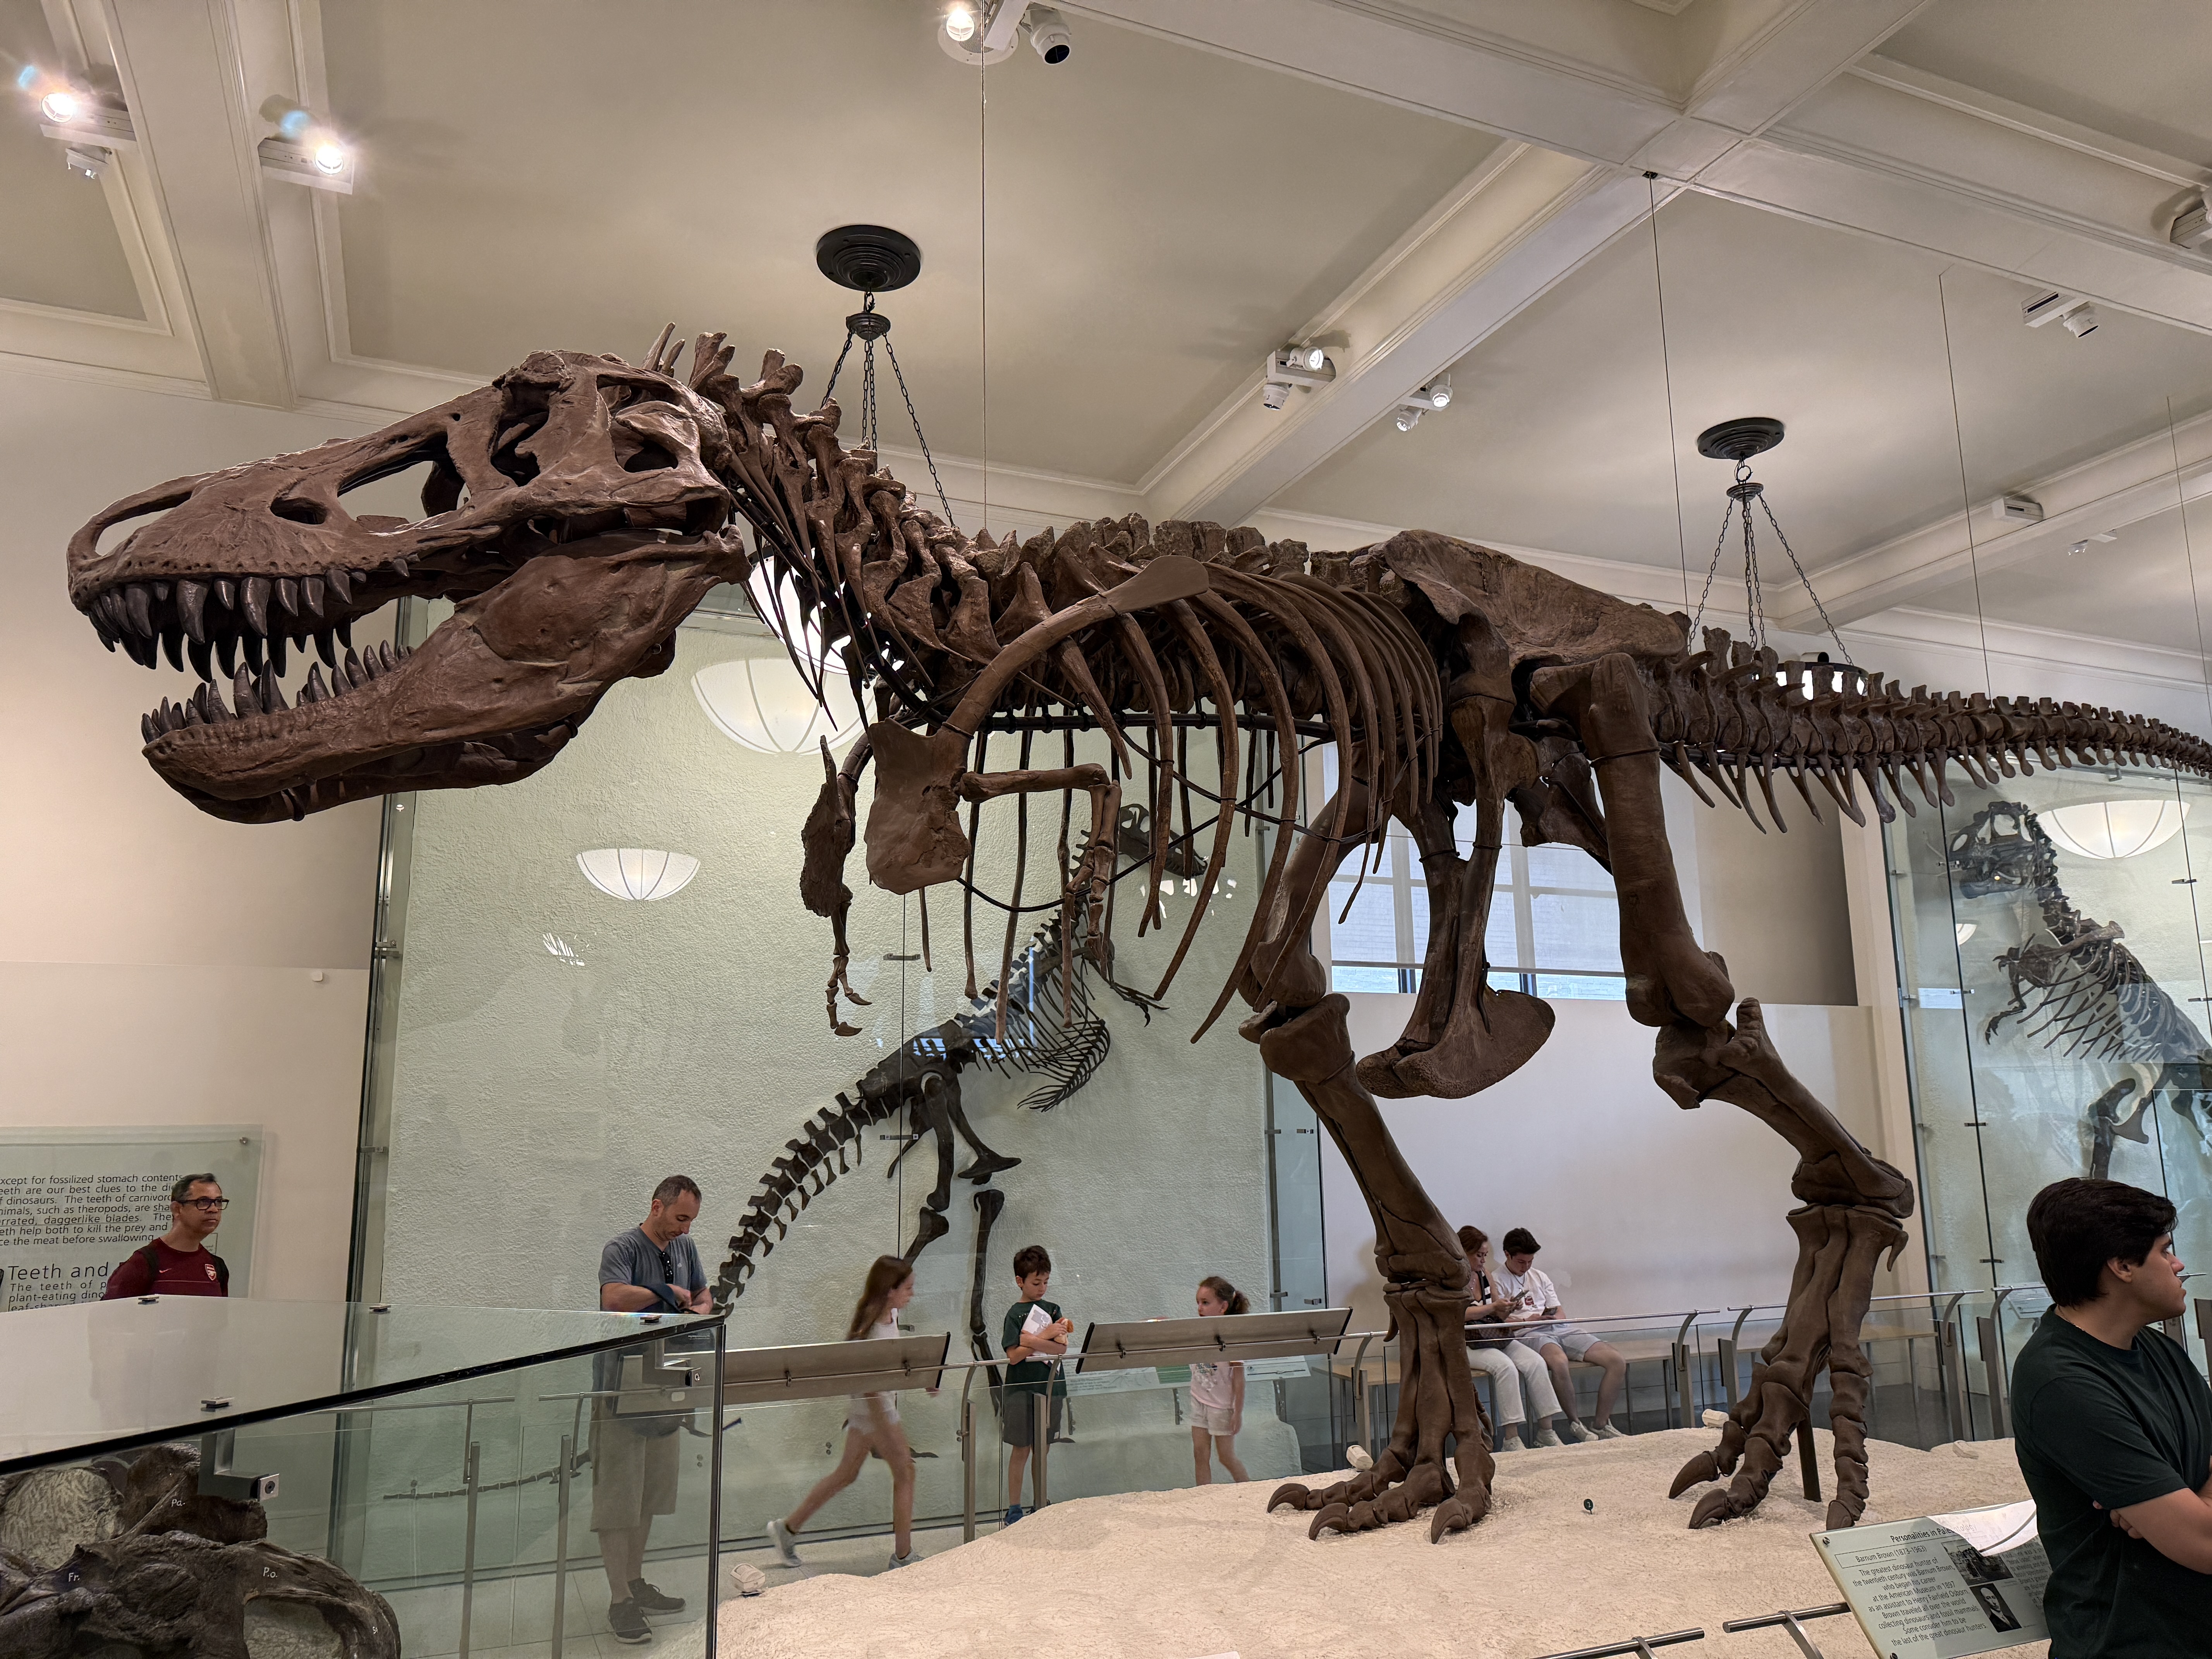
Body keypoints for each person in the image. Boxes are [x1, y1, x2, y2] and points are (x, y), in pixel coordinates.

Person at [2012, 1177, 2212, 1657]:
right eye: (2165, 1251)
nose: (2178, 1265)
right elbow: (2204, 1545)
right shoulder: (2062, 1383)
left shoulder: (2160, 1350)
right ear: (2122, 1266)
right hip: (2131, 1643)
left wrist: (2190, 1504)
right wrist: (2187, 1514)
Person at [593, 1176, 711, 1645]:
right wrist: (664, 1292)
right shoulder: (621, 1248)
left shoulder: (686, 1249)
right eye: (680, 1218)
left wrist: (697, 1310)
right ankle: (619, 1599)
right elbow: (613, 1299)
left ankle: (635, 1582)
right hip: (620, 1393)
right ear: (657, 1207)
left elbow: (703, 1296)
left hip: (667, 1389)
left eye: (691, 1221)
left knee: (649, 1496)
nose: (685, 1229)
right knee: (618, 1500)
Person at [767, 1255, 936, 1572]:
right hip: (875, 1408)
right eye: (908, 1288)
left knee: (846, 1474)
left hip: (871, 1408)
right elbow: (869, 1385)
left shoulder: (891, 1315)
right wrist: (884, 1423)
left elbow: (895, 1361)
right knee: (906, 1472)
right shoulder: (871, 1329)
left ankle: (787, 1529)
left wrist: (925, 1378)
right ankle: (902, 1556)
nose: (912, 1294)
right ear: (890, 1290)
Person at [1493, 1227, 1628, 1441]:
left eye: (1530, 1262)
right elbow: (1498, 1323)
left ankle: (1601, 1424)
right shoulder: (1496, 1280)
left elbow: (1559, 1312)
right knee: (1559, 1361)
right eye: (1521, 1262)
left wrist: (1551, 1318)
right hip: (1528, 1331)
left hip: (1558, 1328)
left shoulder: (1540, 1276)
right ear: (1507, 1255)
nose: (1526, 1267)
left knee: (1617, 1361)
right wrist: (1530, 1320)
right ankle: (1575, 1423)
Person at [1456, 1226, 1566, 1450]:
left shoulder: (1484, 1274)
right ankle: (1512, 1438)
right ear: (1463, 1253)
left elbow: (1497, 1310)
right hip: (1466, 1341)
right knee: (1506, 1367)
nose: (1483, 1260)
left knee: (1536, 1362)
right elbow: (1459, 1313)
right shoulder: (1453, 1279)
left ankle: (1547, 1431)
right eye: (1479, 1255)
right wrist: (1493, 1309)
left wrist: (1507, 1308)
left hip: (1492, 1334)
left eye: (1486, 1255)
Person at [999, 1243, 1071, 1526]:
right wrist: (1045, 1336)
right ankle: (1014, 1508)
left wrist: (1031, 1340)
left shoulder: (1053, 1310)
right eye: (1036, 1283)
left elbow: (1061, 1349)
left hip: (1051, 1388)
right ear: (1021, 1281)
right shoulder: (1014, 1314)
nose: (1042, 1288)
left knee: (1043, 1448)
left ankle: (1040, 1501)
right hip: (1021, 1389)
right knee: (1021, 1448)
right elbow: (1014, 1356)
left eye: (1046, 1282)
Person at [103, 1175, 230, 1298]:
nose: (214, 1209)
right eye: (203, 1202)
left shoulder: (217, 1266)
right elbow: (109, 1310)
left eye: (218, 1202)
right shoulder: (144, 1263)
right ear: (177, 1209)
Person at [1190, 1276, 1251, 1485]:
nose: (1200, 1308)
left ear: (1223, 1307)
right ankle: (1203, 1496)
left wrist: (1237, 1412)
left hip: (1222, 1407)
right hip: (1198, 1400)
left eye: (1206, 1303)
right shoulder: (1197, 1331)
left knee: (1226, 1457)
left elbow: (1239, 1379)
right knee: (1200, 1454)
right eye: (1198, 1302)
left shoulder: (1232, 1336)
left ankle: (1249, 1490)